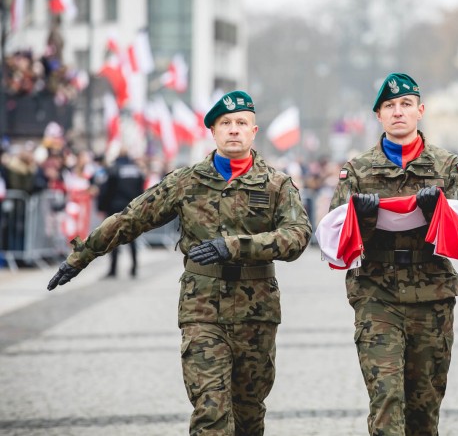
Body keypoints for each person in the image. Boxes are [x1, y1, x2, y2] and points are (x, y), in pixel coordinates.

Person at [47, 90, 312, 435]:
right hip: (202, 309)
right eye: (226, 123)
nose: (234, 130)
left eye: (241, 123)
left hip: (256, 312)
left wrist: (234, 247)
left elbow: (298, 235)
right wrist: (81, 256)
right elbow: (131, 218)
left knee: (248, 413)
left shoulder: (276, 184)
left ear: (253, 131)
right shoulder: (187, 182)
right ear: (213, 132)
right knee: (211, 410)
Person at [328, 73, 458, 435]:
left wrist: (436, 213)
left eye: (405, 104)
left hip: (432, 298)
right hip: (377, 296)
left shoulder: (446, 166)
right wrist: (361, 217)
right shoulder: (357, 170)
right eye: (389, 106)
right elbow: (334, 234)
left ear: (420, 111)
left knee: (424, 412)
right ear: (379, 115)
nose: (398, 112)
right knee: (386, 400)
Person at [97, 150, 145, 278]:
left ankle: (113, 269)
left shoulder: (113, 169)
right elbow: (142, 190)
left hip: (115, 208)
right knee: (132, 238)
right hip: (132, 207)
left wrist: (101, 207)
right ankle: (134, 268)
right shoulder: (136, 170)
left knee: (113, 239)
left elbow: (105, 190)